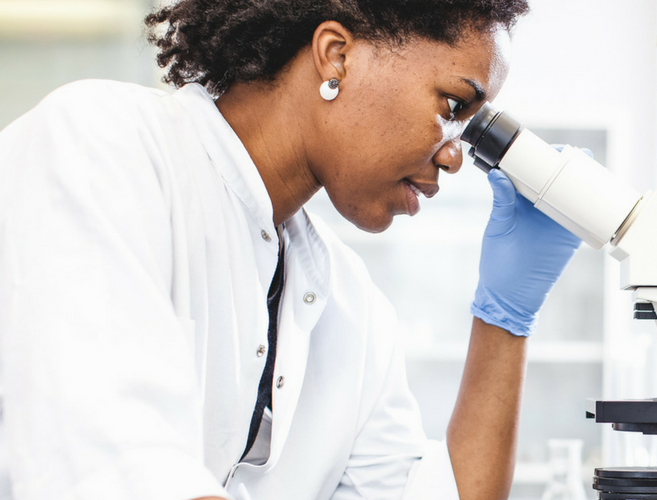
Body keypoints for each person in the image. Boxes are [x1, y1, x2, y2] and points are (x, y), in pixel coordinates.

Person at [0, 1, 584, 499]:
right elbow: (113, 469)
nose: (455, 154)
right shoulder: (100, 147)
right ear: (336, 55)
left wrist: (505, 317)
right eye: (453, 106)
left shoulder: (347, 300)